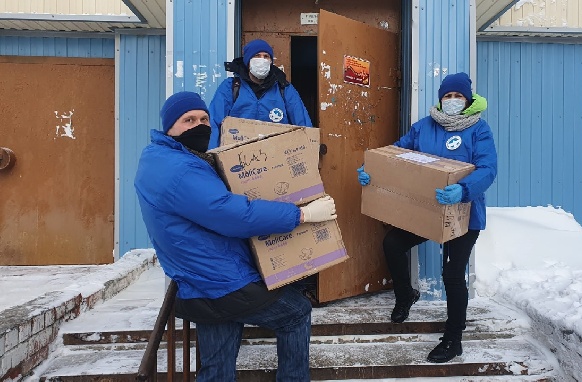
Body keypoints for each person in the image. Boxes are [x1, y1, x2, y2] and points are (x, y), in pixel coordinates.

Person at [135, 91, 337, 381]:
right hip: (222, 281)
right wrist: (302, 215)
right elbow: (232, 215)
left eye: (204, 119)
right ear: (169, 127)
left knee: (217, 370)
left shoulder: (161, 160)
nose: (199, 125)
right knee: (296, 312)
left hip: (200, 282)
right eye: (188, 120)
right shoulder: (180, 170)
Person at [357, 72, 497, 363]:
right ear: (440, 99)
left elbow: (488, 168)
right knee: (393, 244)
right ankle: (406, 294)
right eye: (448, 96)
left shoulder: (479, 130)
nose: (453, 101)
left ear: (468, 99)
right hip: (426, 211)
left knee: (452, 275)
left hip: (463, 213)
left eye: (459, 96)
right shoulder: (423, 128)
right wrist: (372, 171)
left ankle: (453, 339)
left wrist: (464, 189)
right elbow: (395, 155)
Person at [208, 39, 313, 149]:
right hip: (236, 156)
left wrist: (309, 152)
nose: (261, 60)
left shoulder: (284, 88)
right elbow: (214, 123)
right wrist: (211, 156)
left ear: (271, 61)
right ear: (248, 61)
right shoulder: (231, 87)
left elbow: (303, 123)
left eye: (266, 56)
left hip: (276, 155)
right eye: (257, 55)